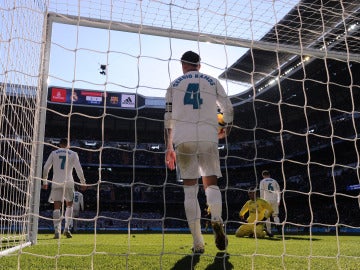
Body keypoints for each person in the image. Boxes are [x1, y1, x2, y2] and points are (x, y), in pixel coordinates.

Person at [164, 50, 234, 253]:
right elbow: (228, 109)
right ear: (199, 65)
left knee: (189, 190)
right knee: (211, 184)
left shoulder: (173, 85)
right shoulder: (212, 81)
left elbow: (168, 119)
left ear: (182, 65)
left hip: (183, 138)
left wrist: (169, 147)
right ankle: (217, 219)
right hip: (208, 135)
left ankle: (198, 243)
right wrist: (227, 127)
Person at [42, 138, 86, 239]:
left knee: (57, 207)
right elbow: (79, 169)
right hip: (69, 182)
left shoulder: (54, 153)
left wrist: (44, 181)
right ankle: (66, 229)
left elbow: (46, 167)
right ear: (68, 145)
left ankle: (57, 231)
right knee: (69, 206)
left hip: (56, 181)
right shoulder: (73, 154)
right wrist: (83, 182)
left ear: (59, 144)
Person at [259, 170, 281, 236]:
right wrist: (278, 200)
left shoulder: (262, 181)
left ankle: (269, 231)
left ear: (263, 175)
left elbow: (261, 192)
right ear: (269, 175)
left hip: (266, 201)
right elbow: (278, 191)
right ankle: (277, 224)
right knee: (275, 215)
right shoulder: (274, 181)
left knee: (267, 217)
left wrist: (262, 201)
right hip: (274, 200)